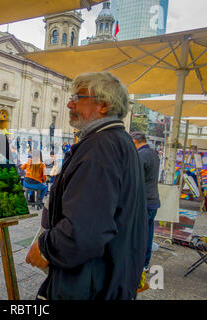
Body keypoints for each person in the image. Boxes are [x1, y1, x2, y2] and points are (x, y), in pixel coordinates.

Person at [26, 71, 148, 300]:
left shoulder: (101, 148)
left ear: (103, 104)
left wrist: (45, 247)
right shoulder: (116, 141)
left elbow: (84, 231)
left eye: (78, 97)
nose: (69, 103)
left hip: (91, 285)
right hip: (104, 279)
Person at [131, 132, 161, 273]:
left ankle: (140, 262)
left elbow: (135, 179)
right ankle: (145, 262)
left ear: (135, 142)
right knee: (148, 233)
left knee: (139, 234)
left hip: (144, 201)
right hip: (153, 200)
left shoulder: (141, 155)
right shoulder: (154, 154)